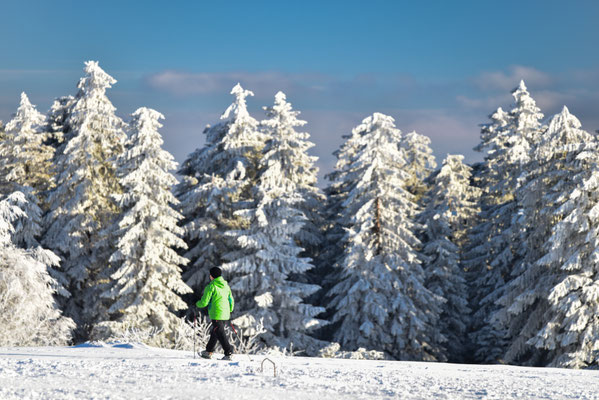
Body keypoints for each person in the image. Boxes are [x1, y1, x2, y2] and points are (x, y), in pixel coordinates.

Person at [196, 267, 235, 360]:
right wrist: (230, 309)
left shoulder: (211, 286)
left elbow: (204, 302)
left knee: (219, 332)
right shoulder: (226, 286)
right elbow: (231, 299)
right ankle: (208, 351)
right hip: (225, 313)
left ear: (211, 276)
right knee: (215, 331)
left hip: (216, 313)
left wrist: (197, 304)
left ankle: (228, 352)